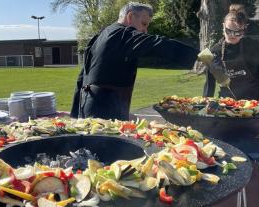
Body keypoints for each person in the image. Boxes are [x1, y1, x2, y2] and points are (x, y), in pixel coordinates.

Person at [70, 2, 199, 121]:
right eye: (144, 24)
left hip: (91, 108)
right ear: (130, 17)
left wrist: (75, 115)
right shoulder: (121, 34)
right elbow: (156, 44)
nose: (145, 31)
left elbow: (82, 77)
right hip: (103, 113)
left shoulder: (102, 35)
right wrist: (197, 56)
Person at [203, 11, 259, 119]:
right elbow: (209, 86)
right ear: (223, 26)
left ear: (244, 30)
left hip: (257, 105)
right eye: (229, 31)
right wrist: (204, 107)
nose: (232, 35)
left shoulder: (254, 47)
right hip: (228, 108)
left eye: (237, 32)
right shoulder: (212, 53)